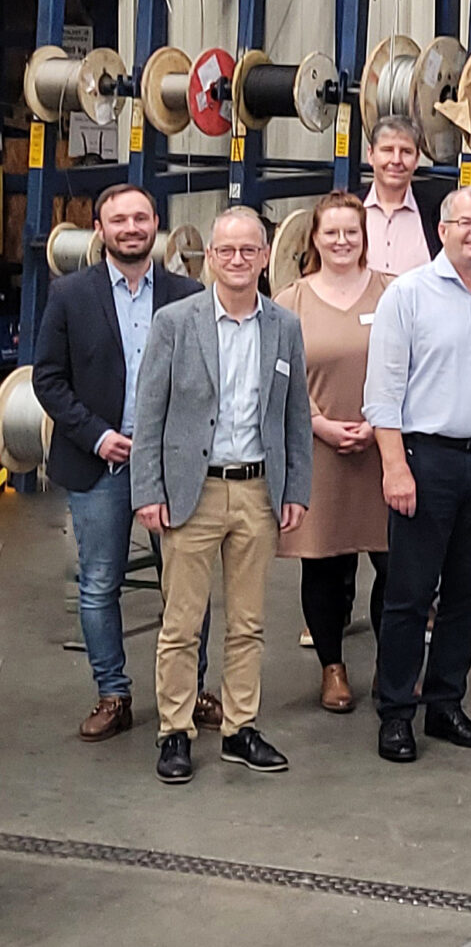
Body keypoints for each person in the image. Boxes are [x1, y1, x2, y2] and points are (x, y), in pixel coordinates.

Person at [130, 207, 312, 784]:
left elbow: (294, 416)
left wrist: (296, 489)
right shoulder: (175, 323)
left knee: (249, 622)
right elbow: (149, 415)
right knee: (181, 623)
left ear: (264, 257)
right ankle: (175, 732)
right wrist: (147, 491)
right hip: (192, 494)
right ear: (208, 257)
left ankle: (240, 728)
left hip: (258, 491)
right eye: (225, 251)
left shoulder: (283, 326)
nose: (237, 260)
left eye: (248, 251)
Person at [33, 183, 216, 741]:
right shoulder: (69, 295)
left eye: (141, 218)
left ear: (155, 223)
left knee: (186, 585)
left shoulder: (188, 294)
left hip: (172, 464)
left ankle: (190, 689)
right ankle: (113, 694)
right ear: (100, 230)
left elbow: (207, 380)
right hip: (100, 463)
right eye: (119, 220)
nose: (131, 228)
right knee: (99, 583)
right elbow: (47, 378)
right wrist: (98, 436)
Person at [363, 185, 471, 764]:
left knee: (467, 592)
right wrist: (395, 469)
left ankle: (445, 704)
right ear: (443, 230)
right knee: (410, 595)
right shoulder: (407, 297)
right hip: (424, 460)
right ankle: (395, 713)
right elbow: (382, 396)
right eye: (467, 223)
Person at [273, 193, 394, 714]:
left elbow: (413, 363)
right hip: (318, 452)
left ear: (364, 238)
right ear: (314, 240)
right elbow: (276, 381)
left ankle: (394, 663)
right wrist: (319, 424)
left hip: (385, 451)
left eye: (352, 232)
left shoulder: (393, 293)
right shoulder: (289, 302)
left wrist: (379, 423)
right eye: (332, 233)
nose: (342, 241)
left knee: (395, 565)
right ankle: (333, 667)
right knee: (323, 566)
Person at [361, 114, 432, 276]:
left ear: (417, 159)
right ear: (371, 155)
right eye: (387, 150)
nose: (396, 160)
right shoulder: (350, 208)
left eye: (406, 151)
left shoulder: (436, 215)